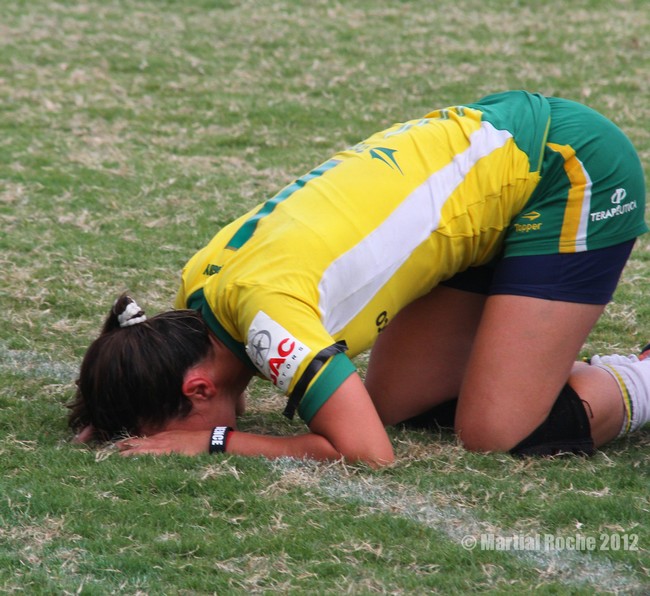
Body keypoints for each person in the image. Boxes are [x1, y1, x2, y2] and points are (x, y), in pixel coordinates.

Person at [69, 90, 650, 467]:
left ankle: (641, 375)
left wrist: (210, 440)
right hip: (491, 186)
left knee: (497, 434)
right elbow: (378, 429)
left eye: (161, 433)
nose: (162, 445)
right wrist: (114, 398)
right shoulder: (196, 297)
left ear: (197, 389)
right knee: (397, 405)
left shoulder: (269, 324)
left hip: (564, 168)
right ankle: (534, 368)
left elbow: (370, 456)